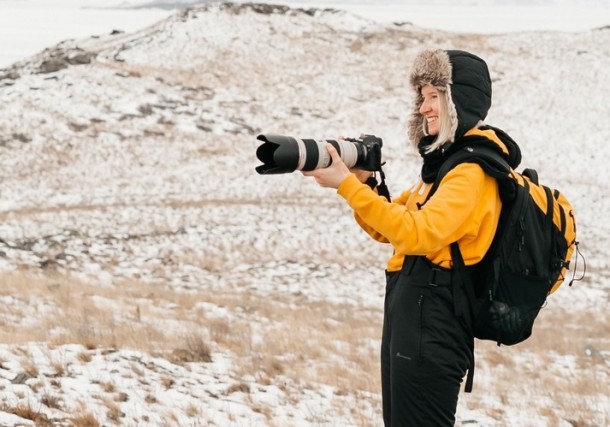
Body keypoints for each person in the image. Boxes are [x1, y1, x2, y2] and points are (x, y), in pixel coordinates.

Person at [301, 49, 522, 426]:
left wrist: (344, 186)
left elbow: (416, 234)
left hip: (432, 327)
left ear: (459, 100)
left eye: (433, 96)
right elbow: (388, 227)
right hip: (413, 319)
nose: (423, 108)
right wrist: (362, 182)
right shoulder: (445, 167)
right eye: (421, 97)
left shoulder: (471, 172)